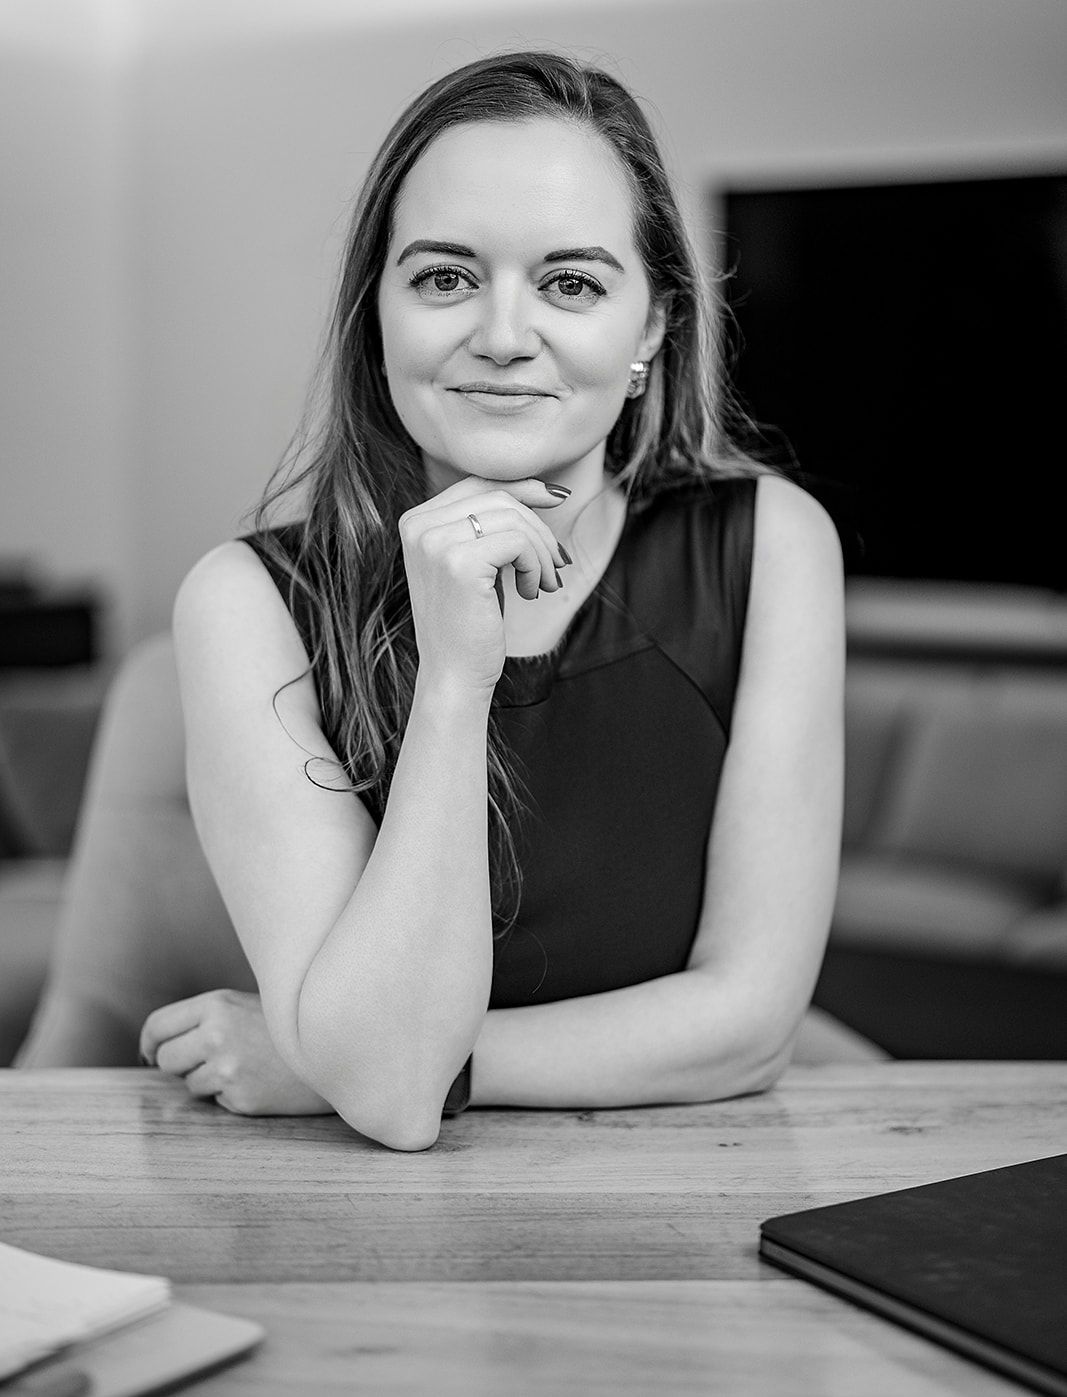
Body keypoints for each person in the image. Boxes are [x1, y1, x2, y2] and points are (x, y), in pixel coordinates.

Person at [138, 51, 845, 1151]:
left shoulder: (769, 545)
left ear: (650, 327)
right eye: (443, 278)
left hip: (693, 1183)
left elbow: (748, 1027)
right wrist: (454, 680)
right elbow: (391, 1095)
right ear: (375, 314)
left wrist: (335, 1058)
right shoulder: (244, 602)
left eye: (571, 284)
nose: (505, 336)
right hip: (372, 1220)